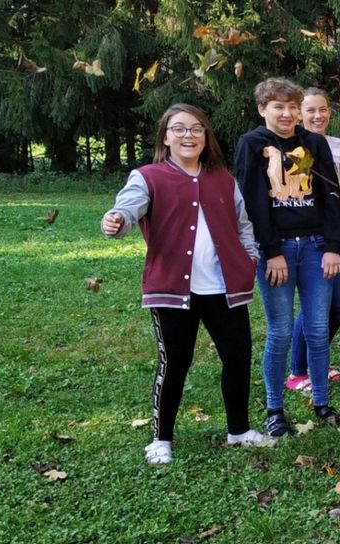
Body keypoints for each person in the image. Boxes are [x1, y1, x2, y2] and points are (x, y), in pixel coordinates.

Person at [102, 103, 274, 464]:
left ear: (205, 136)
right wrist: (117, 219)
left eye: (196, 129)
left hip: (224, 288)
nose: (188, 136)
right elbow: (129, 207)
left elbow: (243, 224)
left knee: (238, 357)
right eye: (179, 129)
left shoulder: (223, 179)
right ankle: (161, 439)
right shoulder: (148, 176)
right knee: (175, 361)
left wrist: (250, 258)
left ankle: (239, 431)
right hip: (172, 290)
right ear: (165, 136)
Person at [235, 78, 340, 436]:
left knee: (316, 328)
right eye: (278, 107)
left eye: (292, 107)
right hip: (278, 251)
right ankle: (274, 409)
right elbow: (253, 204)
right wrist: (271, 253)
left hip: (315, 247)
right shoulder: (252, 145)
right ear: (262, 109)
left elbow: (331, 195)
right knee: (280, 331)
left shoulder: (314, 143)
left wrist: (331, 246)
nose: (287, 113)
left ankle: (322, 401)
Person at [285, 87, 340, 393]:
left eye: (323, 109)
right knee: (314, 305)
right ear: (300, 113)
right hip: (305, 237)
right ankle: (298, 371)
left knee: (339, 303)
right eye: (310, 110)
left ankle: (317, 358)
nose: (317, 116)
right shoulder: (293, 147)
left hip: (333, 236)